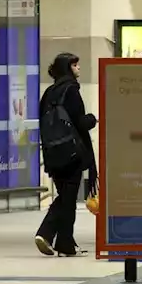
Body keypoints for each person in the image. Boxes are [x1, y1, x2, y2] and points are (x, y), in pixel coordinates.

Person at [35, 53, 96, 257]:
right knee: (66, 199)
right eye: (75, 65)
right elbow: (80, 122)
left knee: (66, 197)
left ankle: (65, 243)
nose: (79, 68)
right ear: (67, 68)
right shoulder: (71, 91)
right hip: (72, 153)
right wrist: (92, 119)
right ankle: (46, 233)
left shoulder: (49, 92)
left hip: (53, 152)